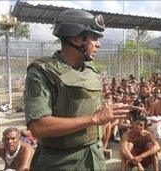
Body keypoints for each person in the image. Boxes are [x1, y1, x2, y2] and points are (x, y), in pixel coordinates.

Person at [24, 9, 130, 170]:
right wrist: (94, 119)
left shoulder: (92, 70)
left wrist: (108, 112)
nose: (99, 44)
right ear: (76, 38)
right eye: (94, 38)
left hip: (94, 156)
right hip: (60, 161)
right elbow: (39, 127)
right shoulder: (42, 72)